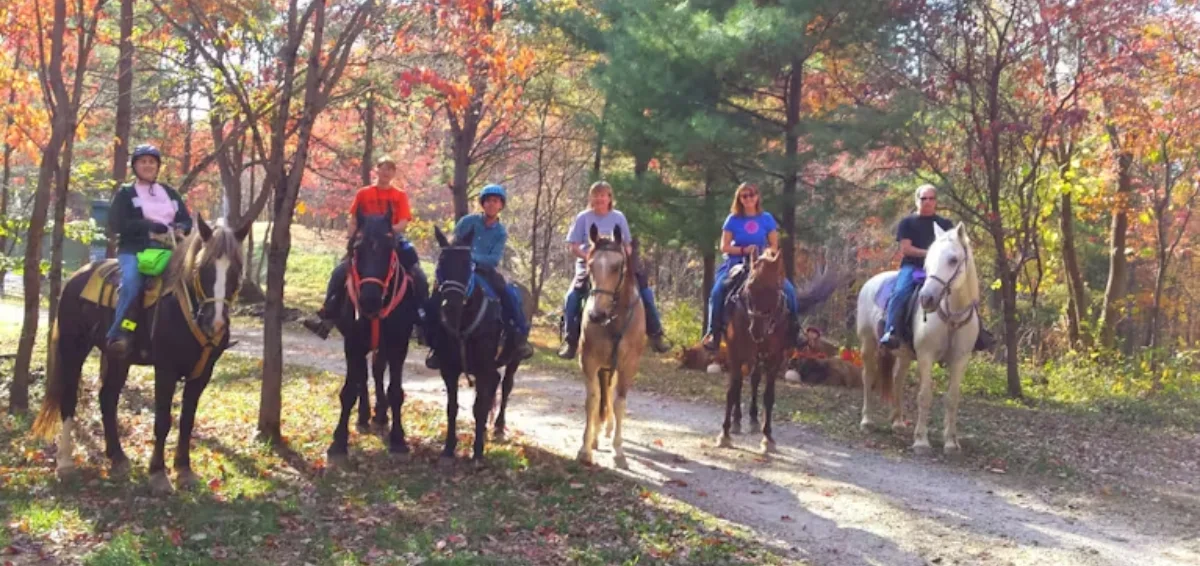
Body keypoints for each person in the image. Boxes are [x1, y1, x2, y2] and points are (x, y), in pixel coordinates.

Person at [302, 155, 429, 339]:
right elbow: (353, 219)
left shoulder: (399, 195)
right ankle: (327, 317)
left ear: (393, 173)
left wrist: (388, 232)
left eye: (390, 169)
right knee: (340, 271)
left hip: (389, 238)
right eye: (382, 168)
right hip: (366, 240)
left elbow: (403, 222)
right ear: (376, 170)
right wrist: (353, 236)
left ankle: (421, 320)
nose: (385, 172)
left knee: (418, 273)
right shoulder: (363, 194)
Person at [557, 181, 671, 359]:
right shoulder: (583, 218)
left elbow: (627, 245)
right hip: (591, 264)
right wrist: (590, 258)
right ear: (591, 198)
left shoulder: (618, 217)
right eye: (596, 195)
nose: (599, 198)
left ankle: (656, 334)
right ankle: (570, 340)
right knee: (572, 297)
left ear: (610, 198)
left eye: (603, 195)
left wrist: (622, 259)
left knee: (645, 292)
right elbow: (573, 246)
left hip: (617, 265)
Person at [424, 184, 533, 369]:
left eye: (496, 201)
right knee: (437, 292)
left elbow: (494, 258)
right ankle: (430, 337)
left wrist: (471, 258)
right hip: (459, 268)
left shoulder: (500, 231)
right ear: (483, 203)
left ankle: (519, 333)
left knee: (508, 293)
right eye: (488, 201)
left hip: (485, 270)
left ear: (501, 205)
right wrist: (459, 258)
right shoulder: (467, 221)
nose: (491, 204)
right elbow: (453, 242)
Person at [105, 144, 194, 358]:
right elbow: (116, 224)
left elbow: (186, 218)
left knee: (197, 280)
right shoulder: (125, 194)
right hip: (135, 251)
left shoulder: (170, 193)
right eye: (143, 161)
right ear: (134, 166)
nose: (148, 166)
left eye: (152, 162)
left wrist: (182, 227)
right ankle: (120, 333)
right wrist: (148, 226)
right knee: (133, 282)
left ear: (157, 166)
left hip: (172, 250)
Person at [880, 184, 994, 350]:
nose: (927, 202)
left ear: (936, 201)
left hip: (941, 269)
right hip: (913, 267)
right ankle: (891, 331)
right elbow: (906, 248)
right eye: (923, 198)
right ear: (917, 200)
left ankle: (978, 334)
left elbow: (955, 247)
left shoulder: (945, 223)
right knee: (900, 292)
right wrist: (932, 254)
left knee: (966, 290)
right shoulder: (907, 223)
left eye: (931, 198)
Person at [701, 182, 802, 353]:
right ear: (739, 199)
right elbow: (724, 247)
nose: (748, 199)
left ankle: (795, 331)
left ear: (757, 197)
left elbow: (774, 245)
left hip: (762, 263)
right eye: (744, 196)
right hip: (737, 262)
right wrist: (744, 250)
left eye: (751, 195)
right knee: (717, 292)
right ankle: (714, 333)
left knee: (789, 290)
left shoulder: (767, 218)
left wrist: (765, 254)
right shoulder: (732, 219)